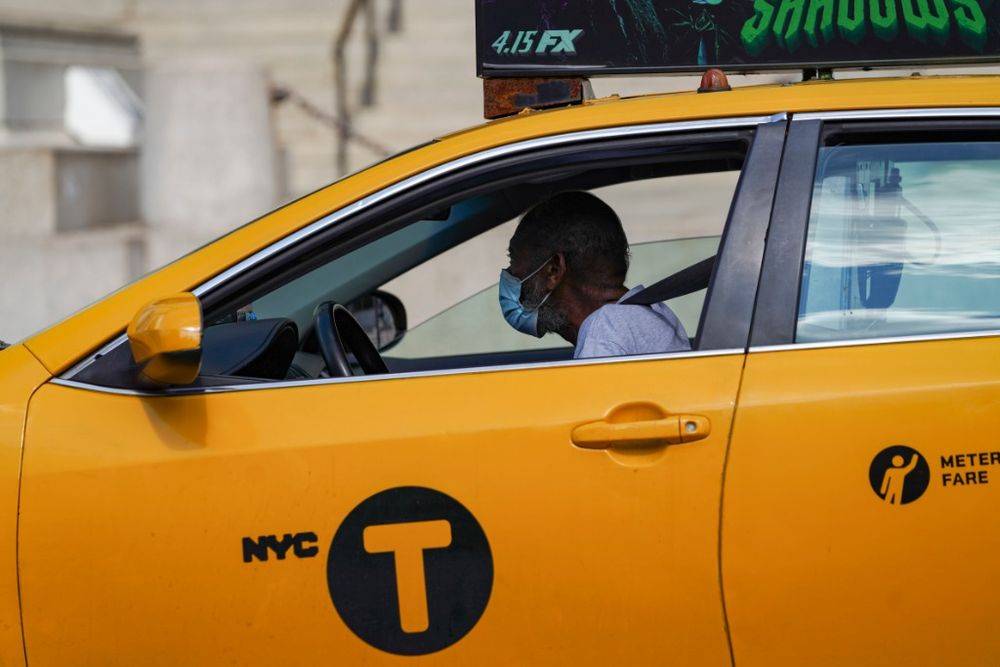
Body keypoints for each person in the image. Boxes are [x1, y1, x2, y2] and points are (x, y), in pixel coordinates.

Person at [499, 191, 690, 359]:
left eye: (514, 259)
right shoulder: (645, 316)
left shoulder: (605, 336)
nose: (511, 273)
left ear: (553, 270)